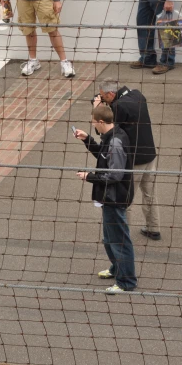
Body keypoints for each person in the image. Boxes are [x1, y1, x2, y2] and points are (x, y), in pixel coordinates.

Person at [73, 106, 137, 293]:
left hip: (115, 197)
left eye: (93, 122)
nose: (92, 124)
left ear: (101, 122)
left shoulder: (116, 142)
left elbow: (114, 175)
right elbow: (102, 154)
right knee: (110, 239)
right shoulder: (112, 137)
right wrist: (88, 140)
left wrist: (89, 176)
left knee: (119, 240)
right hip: (110, 197)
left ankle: (126, 282)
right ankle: (117, 268)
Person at [95, 80, 160, 241]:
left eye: (103, 97)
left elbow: (108, 132)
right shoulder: (138, 95)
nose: (103, 99)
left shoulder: (118, 107)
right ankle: (153, 228)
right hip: (149, 154)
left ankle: (121, 236)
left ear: (111, 94)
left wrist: (98, 108)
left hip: (134, 160)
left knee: (125, 197)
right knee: (150, 194)